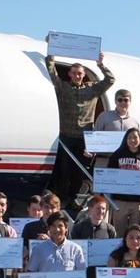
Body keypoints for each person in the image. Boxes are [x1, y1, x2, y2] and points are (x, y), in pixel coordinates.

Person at [46, 51, 115, 209]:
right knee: (63, 170)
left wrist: (101, 65)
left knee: (79, 171)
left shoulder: (92, 89)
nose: (77, 76)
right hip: (66, 136)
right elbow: (52, 72)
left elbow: (110, 80)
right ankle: (63, 199)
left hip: (84, 138)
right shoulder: (62, 87)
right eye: (74, 73)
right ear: (69, 74)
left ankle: (74, 198)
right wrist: (51, 53)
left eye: (80, 73)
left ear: (84, 75)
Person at [107, 128, 140, 236]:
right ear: (125, 140)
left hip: (138, 203)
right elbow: (109, 174)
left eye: (135, 137)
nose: (132, 140)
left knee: (136, 234)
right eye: (129, 137)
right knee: (119, 234)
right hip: (120, 201)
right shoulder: (117, 155)